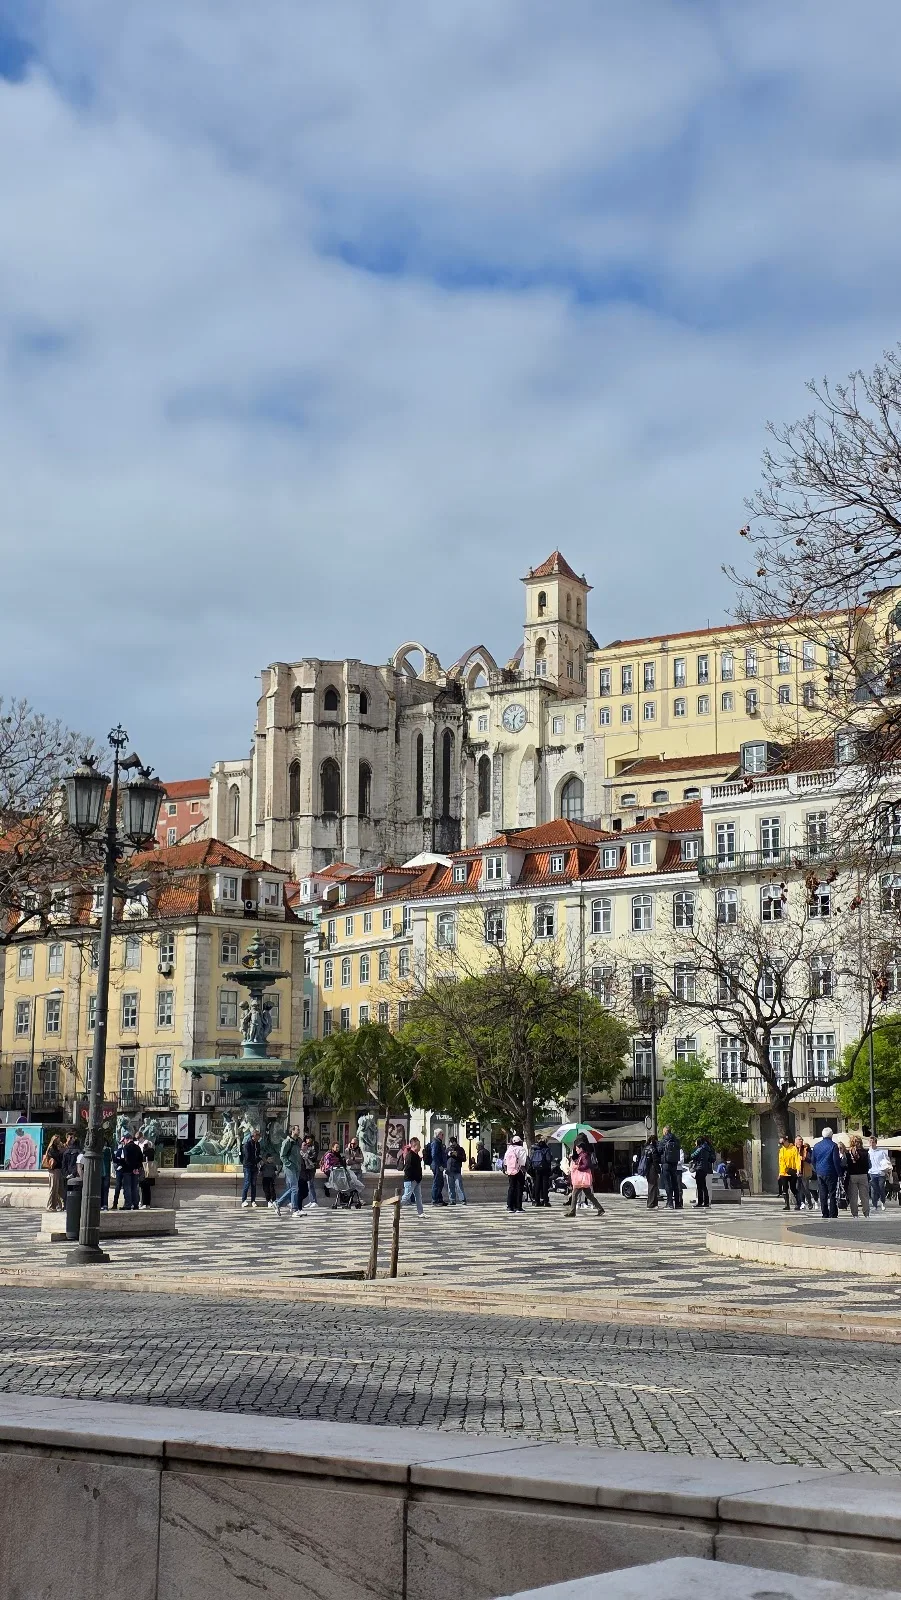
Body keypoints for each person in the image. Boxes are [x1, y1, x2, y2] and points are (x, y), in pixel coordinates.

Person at [564, 1135, 604, 1217]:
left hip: (581, 1179)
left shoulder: (584, 1155)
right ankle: (600, 1209)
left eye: (577, 1148)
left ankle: (572, 1211)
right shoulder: (582, 1155)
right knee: (589, 1195)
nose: (576, 1149)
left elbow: (586, 1165)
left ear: (581, 1148)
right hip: (582, 1179)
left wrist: (577, 1167)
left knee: (575, 1194)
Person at [811, 1126, 843, 1219]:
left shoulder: (816, 1146)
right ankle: (833, 1213)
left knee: (823, 1194)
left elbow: (813, 1160)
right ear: (831, 1135)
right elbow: (836, 1161)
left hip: (820, 1172)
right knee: (832, 1194)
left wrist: (817, 1169)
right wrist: (839, 1173)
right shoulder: (833, 1146)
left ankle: (824, 1213)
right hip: (831, 1172)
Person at [275, 1126, 305, 1216]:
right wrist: (289, 1164)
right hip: (289, 1168)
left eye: (299, 1129)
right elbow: (282, 1156)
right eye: (297, 1129)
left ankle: (278, 1203)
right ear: (292, 1131)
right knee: (294, 1188)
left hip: (297, 1168)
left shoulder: (297, 1142)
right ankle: (294, 1209)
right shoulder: (287, 1142)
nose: (299, 1131)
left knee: (293, 1189)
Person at [113, 1131, 144, 1211]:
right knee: (135, 1187)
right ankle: (136, 1204)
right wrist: (136, 1168)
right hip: (136, 1171)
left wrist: (127, 1166)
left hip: (127, 1170)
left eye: (124, 1140)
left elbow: (125, 1159)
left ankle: (128, 1205)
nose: (124, 1142)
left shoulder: (125, 1148)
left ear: (127, 1139)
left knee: (127, 1188)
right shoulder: (137, 1147)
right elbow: (141, 1159)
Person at [844, 1134, 871, 1218]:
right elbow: (870, 1165)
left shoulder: (848, 1152)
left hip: (852, 1175)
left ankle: (855, 1214)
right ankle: (866, 1213)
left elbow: (845, 1164)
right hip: (863, 1175)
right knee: (864, 1196)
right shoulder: (866, 1152)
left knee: (853, 1197)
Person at [659, 1125, 682, 1210]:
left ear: (665, 1132)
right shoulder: (676, 1140)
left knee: (667, 1184)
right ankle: (678, 1203)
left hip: (666, 1164)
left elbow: (659, 1150)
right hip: (674, 1164)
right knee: (675, 1183)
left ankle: (669, 1203)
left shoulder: (663, 1140)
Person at [503, 1135, 528, 1212]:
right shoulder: (521, 1149)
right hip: (519, 1170)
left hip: (510, 1171)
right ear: (520, 1142)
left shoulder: (509, 1149)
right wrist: (525, 1171)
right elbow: (523, 1162)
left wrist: (506, 1169)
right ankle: (518, 1207)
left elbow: (505, 1161)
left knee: (511, 1188)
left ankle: (510, 1206)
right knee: (519, 1188)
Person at [689, 1136, 715, 1208]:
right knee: (704, 1186)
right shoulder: (708, 1148)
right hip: (705, 1168)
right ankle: (706, 1202)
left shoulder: (700, 1149)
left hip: (699, 1168)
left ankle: (700, 1202)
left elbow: (692, 1156)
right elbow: (710, 1158)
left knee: (699, 1186)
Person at [401, 1137, 425, 1216]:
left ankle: (421, 1213)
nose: (420, 1147)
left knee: (418, 1197)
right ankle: (396, 1210)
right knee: (406, 1197)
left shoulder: (416, 1155)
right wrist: (413, 1178)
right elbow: (407, 1169)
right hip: (411, 1180)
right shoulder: (410, 1155)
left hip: (416, 1180)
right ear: (414, 1145)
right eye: (419, 1145)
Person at [42, 1134, 65, 1212]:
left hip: (58, 1169)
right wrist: (60, 1151)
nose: (59, 1141)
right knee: (53, 1188)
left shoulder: (58, 1147)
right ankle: (50, 1206)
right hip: (53, 1170)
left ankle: (58, 1205)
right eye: (57, 1139)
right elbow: (55, 1157)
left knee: (59, 1189)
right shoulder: (52, 1148)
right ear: (54, 1140)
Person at [869, 1136, 892, 1211]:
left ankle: (882, 1202)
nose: (871, 1144)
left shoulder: (881, 1152)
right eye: (870, 1142)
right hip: (872, 1173)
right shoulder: (868, 1152)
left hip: (881, 1173)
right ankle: (874, 1205)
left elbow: (887, 1161)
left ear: (875, 1143)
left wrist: (887, 1169)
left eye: (873, 1142)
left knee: (881, 1188)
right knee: (873, 1190)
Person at [777, 1136, 800, 1210]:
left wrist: (798, 1170)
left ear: (786, 1141)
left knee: (793, 1188)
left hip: (792, 1170)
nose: (782, 1144)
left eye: (783, 1143)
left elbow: (797, 1159)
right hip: (784, 1172)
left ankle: (798, 1203)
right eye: (780, 1143)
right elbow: (780, 1162)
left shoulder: (793, 1148)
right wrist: (780, 1173)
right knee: (785, 1189)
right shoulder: (781, 1150)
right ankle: (787, 1205)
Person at [240, 1127, 262, 1208]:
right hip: (248, 1166)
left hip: (254, 1166)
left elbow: (259, 1154)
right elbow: (248, 1156)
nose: (259, 1137)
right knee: (247, 1182)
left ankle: (253, 1200)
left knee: (253, 1183)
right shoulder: (248, 1144)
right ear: (254, 1136)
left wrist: (258, 1159)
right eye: (258, 1135)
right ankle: (243, 1200)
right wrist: (257, 1159)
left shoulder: (258, 1144)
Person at [528, 1136, 552, 1207]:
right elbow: (548, 1159)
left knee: (537, 1184)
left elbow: (531, 1159)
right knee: (545, 1185)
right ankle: (545, 1201)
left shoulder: (534, 1149)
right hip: (545, 1169)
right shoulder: (546, 1149)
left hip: (536, 1169)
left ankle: (536, 1201)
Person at [427, 1128, 449, 1206]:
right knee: (437, 1182)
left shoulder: (439, 1143)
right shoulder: (435, 1143)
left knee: (440, 1182)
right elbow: (434, 1155)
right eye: (442, 1134)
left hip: (438, 1165)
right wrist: (439, 1165)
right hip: (436, 1165)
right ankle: (435, 1200)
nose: (443, 1136)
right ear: (438, 1135)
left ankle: (439, 1199)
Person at [639, 1134, 660, 1209]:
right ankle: (651, 1204)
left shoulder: (645, 1148)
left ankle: (652, 1203)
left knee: (651, 1186)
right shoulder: (653, 1149)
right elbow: (655, 1161)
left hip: (647, 1169)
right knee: (653, 1186)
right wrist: (659, 1171)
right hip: (652, 1168)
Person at [794, 1138, 816, 1211]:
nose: (800, 1141)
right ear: (795, 1141)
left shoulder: (806, 1149)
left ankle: (809, 1203)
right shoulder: (794, 1149)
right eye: (798, 1140)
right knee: (797, 1188)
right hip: (795, 1171)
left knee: (806, 1188)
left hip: (804, 1172)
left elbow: (811, 1160)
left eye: (801, 1140)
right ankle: (800, 1203)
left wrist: (804, 1159)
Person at [446, 1137, 467, 1206]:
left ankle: (463, 1199)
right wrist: (448, 1154)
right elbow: (443, 1158)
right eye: (451, 1145)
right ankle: (452, 1200)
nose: (452, 1146)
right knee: (450, 1186)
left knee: (459, 1185)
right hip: (449, 1170)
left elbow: (464, 1159)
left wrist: (457, 1155)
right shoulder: (447, 1150)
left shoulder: (460, 1149)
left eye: (453, 1145)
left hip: (457, 1170)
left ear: (456, 1143)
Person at [300, 1134, 320, 1207]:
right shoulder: (305, 1146)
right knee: (308, 1184)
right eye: (307, 1138)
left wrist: (306, 1155)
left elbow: (313, 1156)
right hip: (305, 1167)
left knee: (310, 1183)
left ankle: (314, 1201)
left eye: (309, 1138)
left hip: (311, 1166)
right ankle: (311, 1200)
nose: (308, 1140)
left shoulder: (314, 1145)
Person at [137, 1135, 156, 1209]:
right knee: (146, 1188)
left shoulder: (146, 1151)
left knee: (144, 1188)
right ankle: (146, 1203)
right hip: (148, 1172)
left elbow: (144, 1156)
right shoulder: (151, 1151)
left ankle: (145, 1203)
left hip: (145, 1171)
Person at [99, 1142, 112, 1211]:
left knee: (101, 1189)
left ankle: (102, 1204)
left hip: (101, 1172)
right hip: (106, 1172)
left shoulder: (106, 1150)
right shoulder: (108, 1150)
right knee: (105, 1189)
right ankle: (105, 1205)